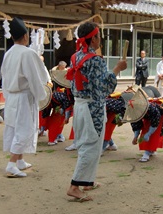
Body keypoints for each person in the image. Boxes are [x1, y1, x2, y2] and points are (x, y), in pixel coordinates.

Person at [66, 21, 127, 201]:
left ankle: (87, 181)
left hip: (80, 104)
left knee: (87, 143)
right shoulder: (95, 60)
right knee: (91, 146)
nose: (100, 39)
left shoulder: (75, 57)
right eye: (99, 36)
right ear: (93, 39)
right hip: (92, 107)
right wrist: (116, 69)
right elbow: (104, 88)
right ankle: (75, 186)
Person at [0, 17, 48, 177]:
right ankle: (11, 163)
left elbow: (4, 77)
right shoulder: (27, 53)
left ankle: (19, 160)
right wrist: (42, 94)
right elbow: (34, 77)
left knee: (16, 128)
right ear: (26, 36)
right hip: (23, 97)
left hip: (12, 96)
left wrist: (7, 94)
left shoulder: (8, 53)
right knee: (25, 129)